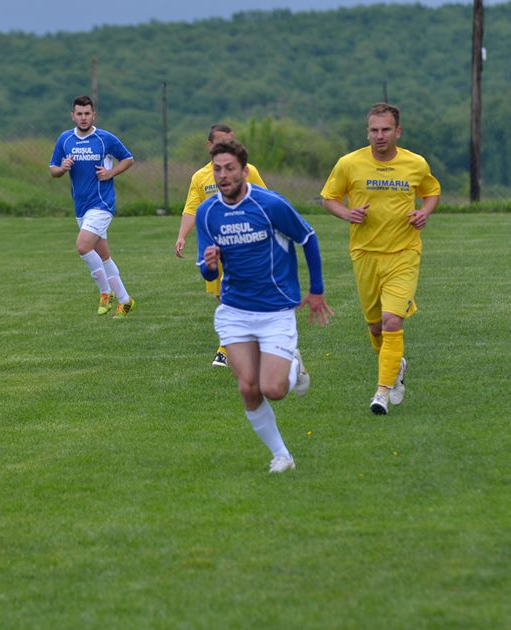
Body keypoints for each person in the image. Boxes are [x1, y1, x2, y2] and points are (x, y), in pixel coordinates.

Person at [195, 140, 332, 473]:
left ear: (244, 171)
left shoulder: (271, 205)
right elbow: (207, 270)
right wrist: (210, 265)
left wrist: (316, 290)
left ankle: (293, 364)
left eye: (230, 168)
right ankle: (282, 455)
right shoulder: (207, 212)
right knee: (248, 387)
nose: (223, 175)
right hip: (235, 311)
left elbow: (308, 238)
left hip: (275, 311)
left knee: (274, 389)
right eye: (217, 169)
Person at [320, 102, 440, 415]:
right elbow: (329, 198)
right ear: (367, 132)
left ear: (398, 131)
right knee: (375, 328)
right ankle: (395, 365)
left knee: (392, 321)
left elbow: (431, 191)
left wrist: (424, 212)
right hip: (365, 254)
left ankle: (382, 392)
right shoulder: (349, 163)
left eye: (386, 129)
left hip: (403, 253)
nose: (380, 135)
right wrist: (347, 213)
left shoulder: (415, 163)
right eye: (374, 130)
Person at [175, 123, 269, 368]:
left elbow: (265, 202)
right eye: (222, 142)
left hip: (243, 244)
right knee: (221, 295)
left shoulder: (248, 171)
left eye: (231, 142)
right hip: (214, 248)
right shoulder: (200, 177)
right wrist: (182, 235)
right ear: (210, 146)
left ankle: (225, 349)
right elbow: (192, 209)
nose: (228, 147)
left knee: (231, 296)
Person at [50, 95, 136, 318]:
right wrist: (62, 168)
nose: (83, 117)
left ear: (93, 115)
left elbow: (128, 159)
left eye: (87, 113)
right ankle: (125, 301)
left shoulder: (104, 138)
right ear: (73, 115)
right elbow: (53, 170)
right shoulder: (65, 139)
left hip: (102, 204)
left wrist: (110, 173)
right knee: (103, 256)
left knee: (82, 246)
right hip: (82, 208)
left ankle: (105, 292)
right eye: (79, 114)